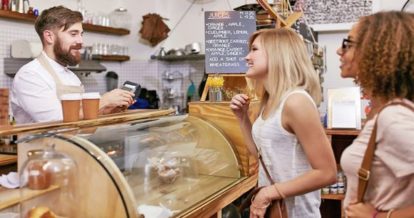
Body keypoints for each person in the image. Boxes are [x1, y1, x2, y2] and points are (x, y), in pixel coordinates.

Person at [230, 28, 337, 218]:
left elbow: (327, 172)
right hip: (275, 210)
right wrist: (242, 117)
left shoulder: (296, 102)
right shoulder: (270, 101)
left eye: (254, 50)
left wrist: (269, 193)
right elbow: (260, 154)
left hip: (297, 213)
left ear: (277, 53)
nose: (247, 57)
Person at [337, 11, 414, 218]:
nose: (339, 51)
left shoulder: (394, 118)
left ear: (377, 51)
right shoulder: (386, 111)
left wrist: (380, 217)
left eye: (348, 44)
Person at [11, 6, 134, 124]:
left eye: (81, 34)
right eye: (73, 34)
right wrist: (104, 101)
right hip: (40, 146)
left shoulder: (72, 77)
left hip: (72, 144)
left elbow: (82, 116)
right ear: (49, 37)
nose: (81, 41)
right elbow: (54, 121)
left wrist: (108, 110)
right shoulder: (30, 75)